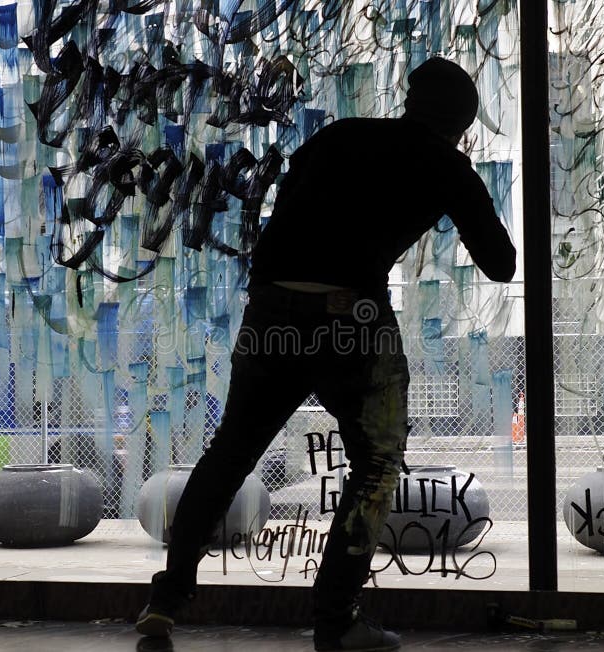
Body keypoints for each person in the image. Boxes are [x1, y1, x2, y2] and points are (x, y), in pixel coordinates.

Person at [136, 57, 516, 651]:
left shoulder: (340, 135)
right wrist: (454, 193)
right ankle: (336, 619)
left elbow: (288, 210)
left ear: (411, 103)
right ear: (461, 123)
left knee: (231, 452)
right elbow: (501, 263)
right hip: (350, 319)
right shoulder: (446, 166)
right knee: (375, 465)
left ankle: (166, 597)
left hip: (272, 311)